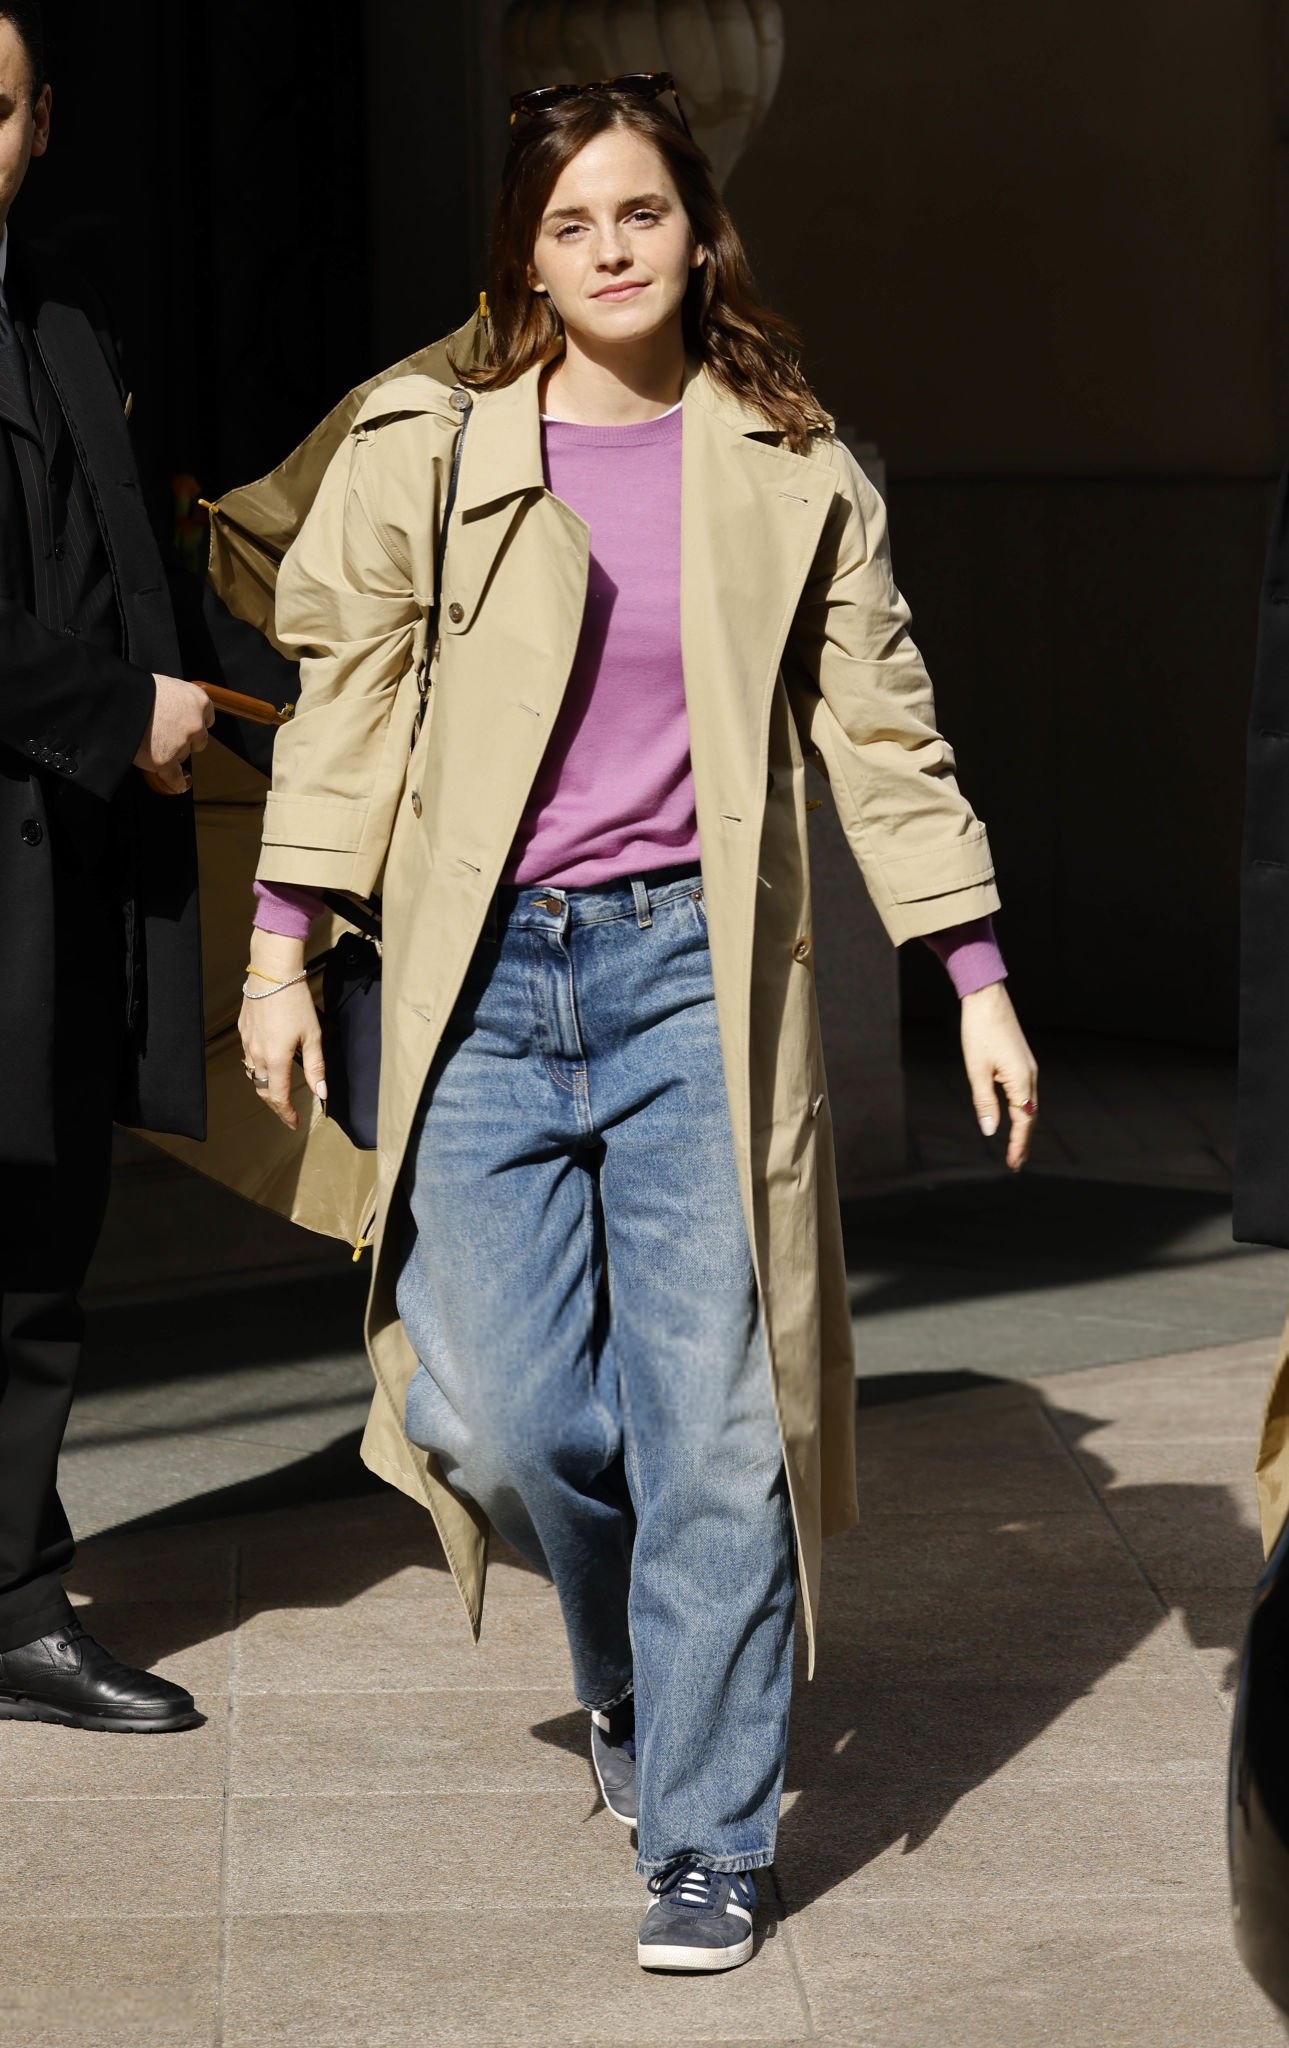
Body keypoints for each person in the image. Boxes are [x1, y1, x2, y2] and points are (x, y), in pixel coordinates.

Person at [237, 74, 1038, 1969]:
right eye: (570, 221)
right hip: (484, 984)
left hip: (697, 979)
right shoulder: (431, 449)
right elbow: (346, 704)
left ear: (698, 231)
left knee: (716, 1426)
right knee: (499, 1417)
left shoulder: (789, 464)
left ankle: (707, 1831)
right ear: (525, 254)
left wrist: (975, 977)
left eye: (642, 213)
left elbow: (885, 734)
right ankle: (625, 1661)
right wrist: (281, 947)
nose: (610, 249)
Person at [0, 3, 292, 1734]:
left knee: (37, 1247)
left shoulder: (62, 314)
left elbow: (142, 577)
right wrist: (120, 711)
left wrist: (303, 719)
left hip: (61, 876)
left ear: (39, 126)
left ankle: (14, 1607)